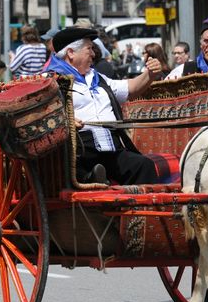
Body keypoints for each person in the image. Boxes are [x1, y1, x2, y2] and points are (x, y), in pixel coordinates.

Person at [45, 27, 162, 185]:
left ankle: (139, 208)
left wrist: (150, 74)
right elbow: (42, 116)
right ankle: (90, 178)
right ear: (71, 53)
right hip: (78, 150)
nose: (94, 54)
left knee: (143, 165)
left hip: (112, 147)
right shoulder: (51, 81)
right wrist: (65, 122)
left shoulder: (98, 77)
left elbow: (130, 89)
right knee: (79, 166)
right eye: (89, 49)